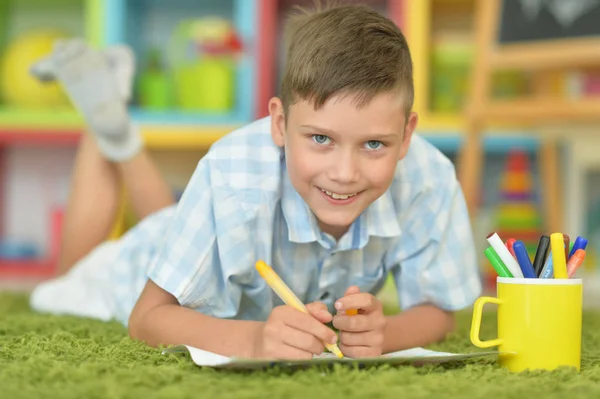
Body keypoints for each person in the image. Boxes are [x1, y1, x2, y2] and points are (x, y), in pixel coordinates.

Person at [30, 3, 482, 360]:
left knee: (175, 217)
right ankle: (103, 117)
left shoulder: (429, 177)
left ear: (406, 134)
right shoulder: (231, 173)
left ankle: (116, 128)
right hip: (136, 268)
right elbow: (146, 318)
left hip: (211, 236)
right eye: (321, 138)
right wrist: (253, 341)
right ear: (280, 124)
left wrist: (384, 334)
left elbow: (439, 311)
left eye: (374, 145)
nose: (345, 173)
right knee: (64, 280)